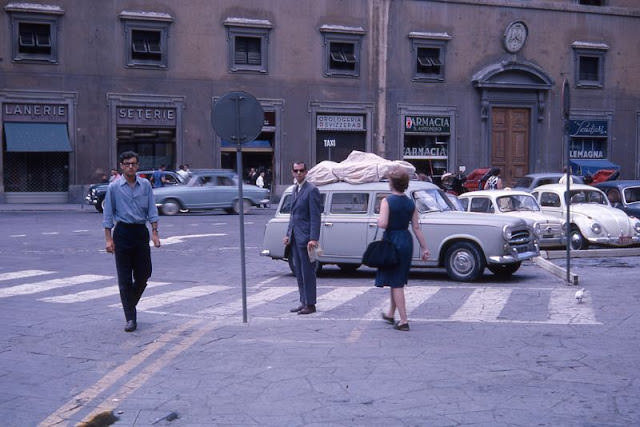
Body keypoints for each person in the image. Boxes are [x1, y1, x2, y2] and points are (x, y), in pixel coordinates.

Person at [103, 151, 161, 332]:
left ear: (138, 166)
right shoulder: (113, 187)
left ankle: (129, 304)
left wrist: (155, 233)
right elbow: (108, 214)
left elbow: (152, 210)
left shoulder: (145, 185)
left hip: (140, 233)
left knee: (144, 274)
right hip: (122, 233)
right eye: (127, 163)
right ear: (121, 166)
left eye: (133, 163)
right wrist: (108, 239)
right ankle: (130, 317)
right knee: (125, 278)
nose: (130, 167)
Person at [376, 167, 429, 331]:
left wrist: (379, 217)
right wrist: (425, 248)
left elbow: (383, 224)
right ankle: (391, 314)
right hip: (406, 240)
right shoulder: (410, 203)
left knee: (397, 282)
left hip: (392, 240)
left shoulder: (387, 201)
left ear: (392, 183)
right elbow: (416, 227)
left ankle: (404, 320)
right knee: (396, 278)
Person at [283, 161, 322, 315]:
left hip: (307, 240)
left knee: (308, 272)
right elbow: (293, 215)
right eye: (296, 170)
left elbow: (315, 216)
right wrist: (288, 234)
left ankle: (311, 304)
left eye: (301, 170)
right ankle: (303, 301)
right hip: (295, 238)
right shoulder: (295, 189)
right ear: (292, 172)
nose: (298, 173)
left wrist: (313, 238)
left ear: (306, 172)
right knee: (299, 272)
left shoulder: (312, 190)